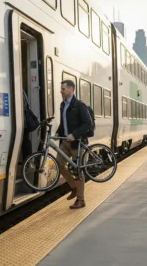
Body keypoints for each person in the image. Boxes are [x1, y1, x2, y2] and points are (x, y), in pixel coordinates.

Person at [56, 80, 92, 209]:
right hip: (65, 142)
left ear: (71, 90)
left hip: (77, 143)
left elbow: (88, 123)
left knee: (78, 170)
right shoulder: (62, 104)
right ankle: (74, 187)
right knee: (58, 164)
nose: (61, 91)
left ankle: (81, 200)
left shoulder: (79, 105)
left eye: (63, 89)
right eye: (61, 89)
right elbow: (65, 122)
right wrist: (57, 131)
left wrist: (75, 134)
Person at [22, 90, 33, 161]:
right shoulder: (22, 92)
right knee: (25, 141)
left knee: (25, 141)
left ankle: (28, 161)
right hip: (23, 122)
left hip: (24, 122)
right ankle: (27, 161)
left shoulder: (20, 91)